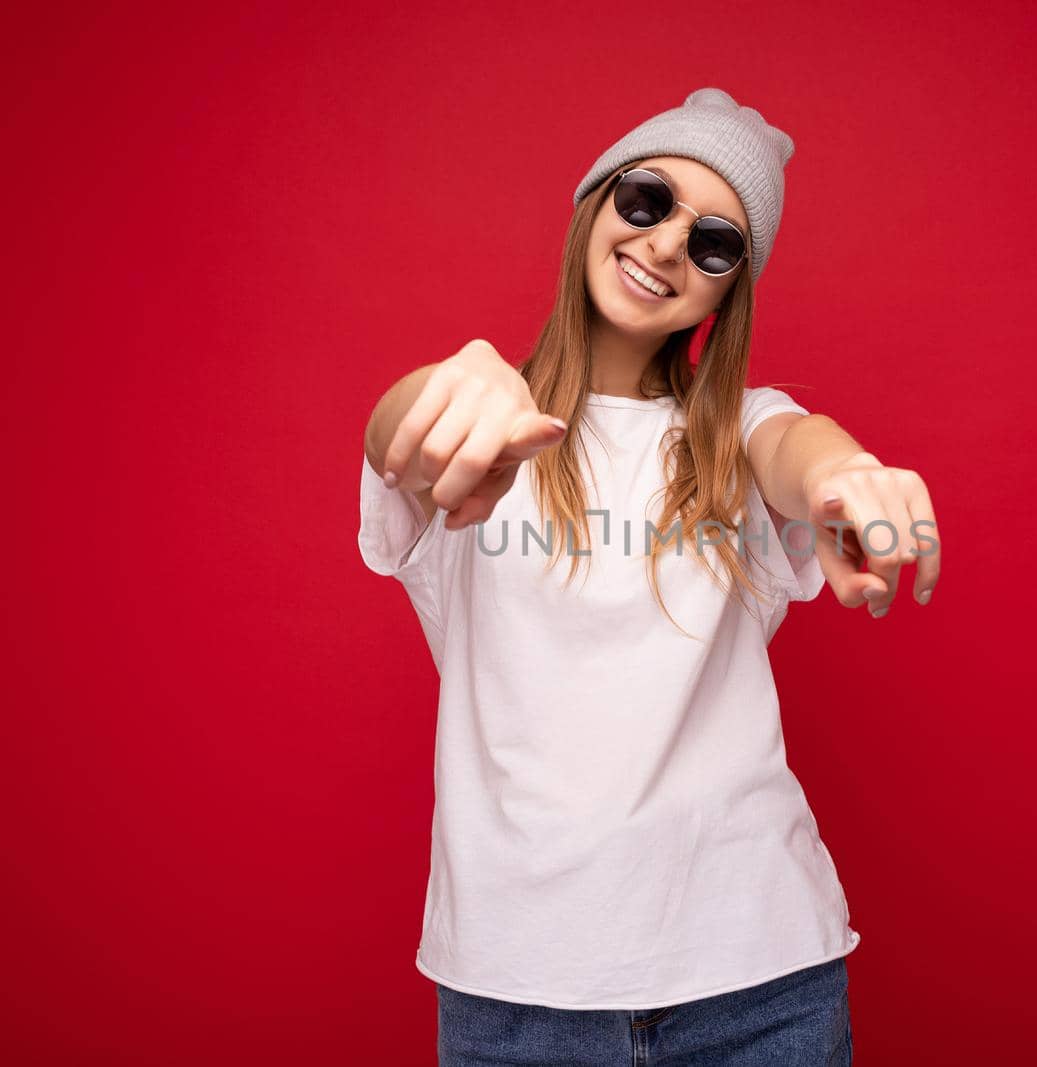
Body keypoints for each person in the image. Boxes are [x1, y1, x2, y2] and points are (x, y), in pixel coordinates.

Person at [359, 87, 941, 1065]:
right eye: (646, 198)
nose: (669, 244)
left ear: (727, 289)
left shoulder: (735, 437)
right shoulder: (481, 424)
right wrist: (449, 383)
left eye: (714, 242)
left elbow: (796, 446)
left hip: (760, 982)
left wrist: (844, 475)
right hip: (516, 992)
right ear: (594, 203)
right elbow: (401, 434)